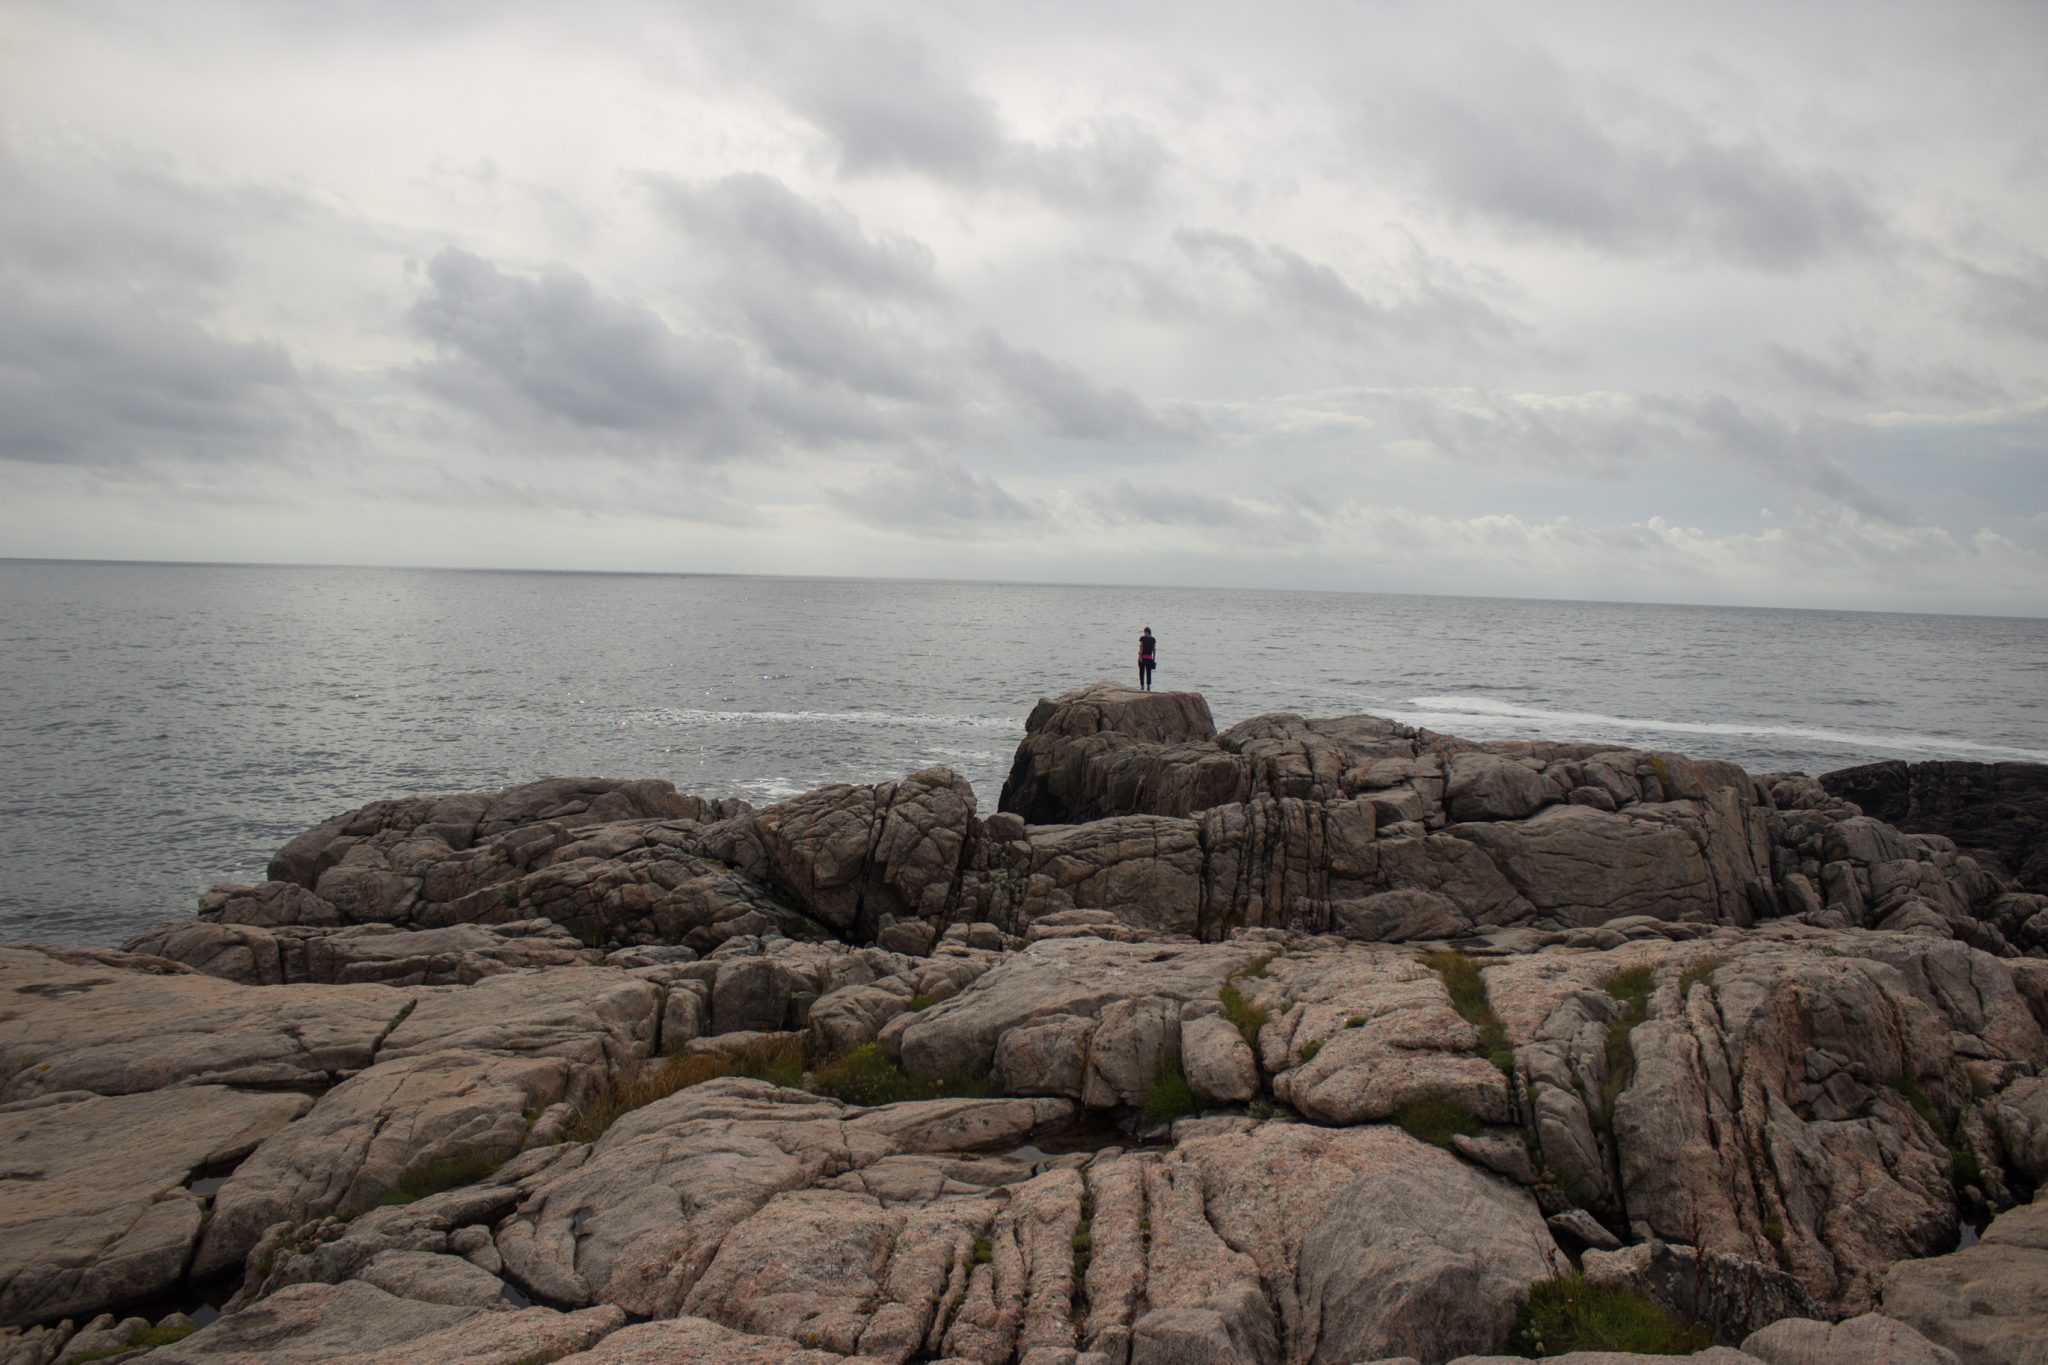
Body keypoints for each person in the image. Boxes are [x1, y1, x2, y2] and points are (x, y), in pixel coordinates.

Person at [1138, 626, 1157, 691]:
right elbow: (1154, 650)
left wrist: (1140, 657)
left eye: (1144, 632)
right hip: (1149, 658)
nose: (1144, 633)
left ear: (1146, 632)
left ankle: (1142, 686)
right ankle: (1148, 686)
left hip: (1143, 658)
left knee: (1141, 672)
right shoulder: (1153, 639)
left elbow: (1141, 648)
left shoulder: (1142, 638)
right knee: (1148, 673)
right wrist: (1153, 659)